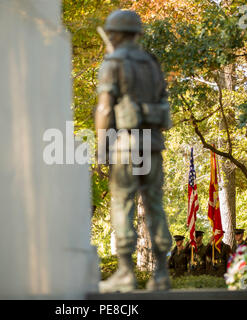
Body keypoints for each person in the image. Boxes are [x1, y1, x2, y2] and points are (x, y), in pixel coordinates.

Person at [95, 10, 172, 293]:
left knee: (123, 203)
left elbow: (105, 108)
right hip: (152, 144)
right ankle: (161, 274)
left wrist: (102, 146)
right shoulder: (152, 64)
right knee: (155, 206)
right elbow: (163, 101)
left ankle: (126, 273)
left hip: (126, 146)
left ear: (115, 34)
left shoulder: (112, 63)